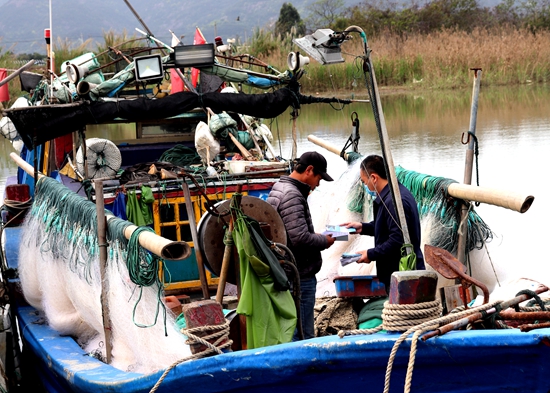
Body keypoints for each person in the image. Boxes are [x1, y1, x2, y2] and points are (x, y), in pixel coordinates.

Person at [267, 151, 336, 340]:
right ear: (309, 170)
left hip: (286, 271)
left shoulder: (279, 187)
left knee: (290, 329)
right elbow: (300, 238)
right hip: (298, 275)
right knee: (303, 334)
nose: (318, 183)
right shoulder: (292, 195)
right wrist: (325, 240)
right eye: (319, 178)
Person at [342, 154, 425, 292]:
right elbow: (388, 227)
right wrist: (363, 227)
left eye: (364, 182)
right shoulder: (392, 195)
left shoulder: (394, 201)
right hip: (396, 272)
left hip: (403, 272)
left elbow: (397, 240)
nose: (365, 186)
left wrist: (370, 254)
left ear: (374, 178)